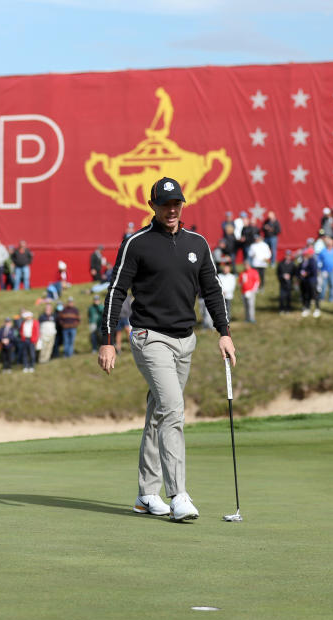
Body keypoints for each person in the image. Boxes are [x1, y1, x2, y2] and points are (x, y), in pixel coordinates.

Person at [98, 176, 235, 522]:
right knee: (173, 408)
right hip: (149, 337)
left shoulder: (198, 243)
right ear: (153, 206)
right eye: (165, 205)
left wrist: (224, 331)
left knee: (159, 412)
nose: (171, 210)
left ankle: (146, 494)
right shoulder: (137, 243)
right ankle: (178, 494)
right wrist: (107, 340)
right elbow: (116, 291)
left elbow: (213, 290)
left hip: (184, 340)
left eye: (177, 204)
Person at [299, 248, 321, 318]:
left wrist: (306, 273)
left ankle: (317, 309)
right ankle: (307, 308)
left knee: (314, 295)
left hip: (312, 281)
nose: (306, 255)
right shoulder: (307, 260)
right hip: (307, 281)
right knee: (307, 295)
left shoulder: (313, 261)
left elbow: (313, 271)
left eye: (307, 253)